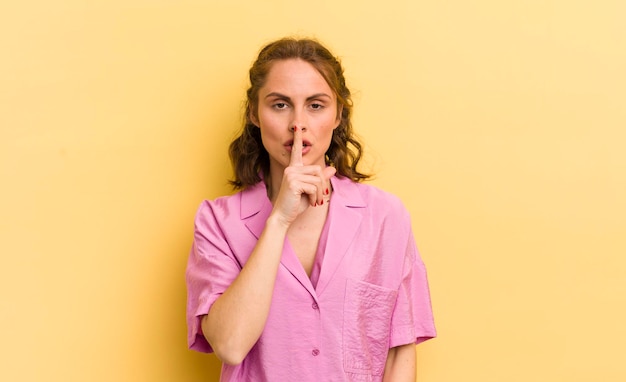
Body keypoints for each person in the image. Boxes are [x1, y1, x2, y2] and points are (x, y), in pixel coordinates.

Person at [186, 37, 436, 381]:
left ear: (338, 115)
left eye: (316, 105)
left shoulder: (385, 216)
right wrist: (278, 221)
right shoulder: (217, 221)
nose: (298, 124)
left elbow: (399, 353)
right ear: (254, 115)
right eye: (280, 105)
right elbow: (230, 345)